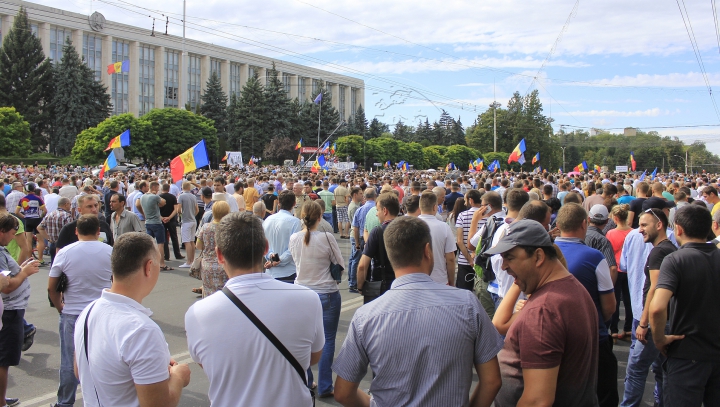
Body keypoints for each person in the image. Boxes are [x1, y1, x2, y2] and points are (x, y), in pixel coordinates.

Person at [333, 216, 503, 407]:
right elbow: (492, 380)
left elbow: (342, 392)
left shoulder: (366, 316)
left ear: (391, 255)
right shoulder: (467, 304)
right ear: (427, 251)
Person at [185, 212, 323, 407]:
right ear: (265, 247)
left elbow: (207, 364)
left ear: (219, 255)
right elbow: (312, 357)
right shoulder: (308, 299)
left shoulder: (197, 313)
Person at [485, 219, 599, 407]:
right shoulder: (569, 288)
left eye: (510, 257)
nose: (503, 266)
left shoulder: (543, 311)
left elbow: (537, 400)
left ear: (538, 257)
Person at [74, 232, 191, 406]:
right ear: (149, 267)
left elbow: (80, 371)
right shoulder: (141, 330)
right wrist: (179, 377)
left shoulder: (88, 311)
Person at [650, 204, 719, 406]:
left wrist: (659, 339)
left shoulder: (675, 260)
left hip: (686, 356)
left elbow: (657, 307)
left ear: (678, 229)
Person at [553, 203, 617, 407]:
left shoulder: (544, 253)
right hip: (593, 337)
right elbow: (609, 305)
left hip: (555, 336)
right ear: (584, 223)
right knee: (603, 392)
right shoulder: (594, 256)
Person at [47, 215, 113, 407]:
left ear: (76, 231)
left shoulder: (65, 252)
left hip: (72, 312)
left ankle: (65, 402)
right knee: (101, 358)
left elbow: (52, 287)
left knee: (69, 361)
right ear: (98, 232)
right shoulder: (108, 251)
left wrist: (60, 306)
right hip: (99, 312)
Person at [289, 200, 344, 398]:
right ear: (320, 217)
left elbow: (296, 262)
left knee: (305, 340)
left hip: (302, 292)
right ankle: (325, 385)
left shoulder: (294, 238)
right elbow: (339, 262)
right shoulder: (327, 237)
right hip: (326, 292)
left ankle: (307, 380)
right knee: (327, 339)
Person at [0, 213, 40, 407]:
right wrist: (23, 273)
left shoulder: (2, 250)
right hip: (9, 310)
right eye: (14, 233)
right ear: (3, 232)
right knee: (4, 359)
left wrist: (21, 268)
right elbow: (5, 286)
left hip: (11, 310)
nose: (15, 237)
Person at [357, 193, 399, 304]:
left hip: (382, 284)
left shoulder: (378, 231)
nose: (376, 214)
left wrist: (361, 286)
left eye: (378, 210)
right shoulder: (407, 227)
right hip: (403, 283)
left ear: (385, 211)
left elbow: (362, 265)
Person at [606, 204, 633, 341]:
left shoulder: (610, 233)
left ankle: (614, 330)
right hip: (629, 269)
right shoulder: (634, 232)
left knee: (615, 300)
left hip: (616, 268)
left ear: (615, 218)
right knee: (629, 301)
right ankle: (628, 329)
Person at [418, 190, 456, 285]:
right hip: (440, 280)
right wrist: (451, 281)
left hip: (417, 280)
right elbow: (450, 258)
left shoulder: (409, 226)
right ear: (435, 207)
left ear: (420, 207)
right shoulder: (444, 227)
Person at [263, 190, 302, 282]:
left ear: (279, 203)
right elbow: (293, 248)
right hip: (288, 272)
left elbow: (263, 244)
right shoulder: (295, 222)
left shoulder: (268, 220)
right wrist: (279, 260)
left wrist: (271, 256)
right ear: (294, 203)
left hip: (271, 271)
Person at [195, 201, 231, 297]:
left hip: (207, 265)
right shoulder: (229, 228)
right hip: (225, 265)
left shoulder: (206, 227)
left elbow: (198, 245)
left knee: (208, 295)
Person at [455, 189, 483, 290]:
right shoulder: (487, 216)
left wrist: (470, 260)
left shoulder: (462, 215)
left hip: (464, 260)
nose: (464, 202)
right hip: (482, 260)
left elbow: (459, 240)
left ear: (470, 200)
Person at [139, 182, 169, 270]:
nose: (158, 189)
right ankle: (162, 263)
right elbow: (163, 202)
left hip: (148, 222)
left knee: (149, 244)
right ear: (154, 187)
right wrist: (157, 196)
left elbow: (138, 205)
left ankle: (147, 262)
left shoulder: (142, 197)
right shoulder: (154, 196)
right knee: (160, 244)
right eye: (157, 187)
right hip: (156, 222)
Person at [586, 204, 618, 283]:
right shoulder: (603, 241)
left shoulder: (578, 235)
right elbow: (613, 269)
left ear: (589, 219)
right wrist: (609, 291)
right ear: (607, 221)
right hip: (595, 284)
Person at [15, 183, 46, 265]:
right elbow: (45, 210)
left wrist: (24, 216)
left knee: (28, 241)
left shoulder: (22, 199)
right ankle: (40, 259)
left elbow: (16, 212)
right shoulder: (38, 198)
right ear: (34, 189)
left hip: (28, 220)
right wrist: (41, 216)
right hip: (37, 219)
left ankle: (29, 259)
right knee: (40, 241)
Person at [37, 197, 74, 264]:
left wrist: (48, 239)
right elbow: (70, 231)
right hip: (64, 245)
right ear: (66, 204)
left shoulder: (50, 215)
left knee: (54, 266)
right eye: (70, 205)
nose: (70, 207)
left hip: (53, 244)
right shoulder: (67, 216)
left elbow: (39, 227)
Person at [159, 184, 184, 262]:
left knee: (164, 238)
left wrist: (162, 218)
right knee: (174, 237)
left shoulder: (159, 197)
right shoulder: (173, 197)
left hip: (162, 219)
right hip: (171, 219)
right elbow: (176, 209)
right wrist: (169, 217)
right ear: (169, 189)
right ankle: (177, 254)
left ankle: (166, 255)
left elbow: (156, 210)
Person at [177, 181, 198, 269]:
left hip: (186, 221)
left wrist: (181, 215)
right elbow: (197, 209)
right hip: (193, 220)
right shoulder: (193, 196)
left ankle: (189, 261)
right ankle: (192, 260)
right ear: (189, 187)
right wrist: (193, 215)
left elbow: (178, 209)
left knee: (187, 242)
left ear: (182, 187)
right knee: (192, 241)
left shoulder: (181, 196)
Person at [347, 187, 363, 293]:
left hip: (354, 235)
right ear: (355, 195)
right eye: (360, 193)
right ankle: (352, 284)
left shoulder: (357, 205)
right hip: (355, 235)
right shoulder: (354, 207)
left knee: (353, 259)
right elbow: (355, 225)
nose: (362, 195)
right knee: (355, 259)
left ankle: (351, 281)